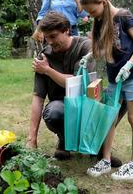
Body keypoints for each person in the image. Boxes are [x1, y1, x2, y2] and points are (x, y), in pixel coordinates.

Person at [80, 0, 133, 180]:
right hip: (114, 78)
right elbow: (106, 48)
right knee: (109, 118)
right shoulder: (102, 21)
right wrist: (90, 56)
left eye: (93, 10)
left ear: (103, 2)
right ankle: (106, 160)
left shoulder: (124, 17)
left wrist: (128, 65)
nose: (92, 15)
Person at [26, 11, 93, 160]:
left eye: (53, 36)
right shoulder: (44, 57)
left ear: (66, 30)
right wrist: (32, 139)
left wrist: (48, 70)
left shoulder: (85, 47)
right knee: (53, 112)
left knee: (120, 100)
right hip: (62, 107)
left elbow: (79, 82)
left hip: (88, 104)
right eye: (46, 37)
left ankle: (99, 146)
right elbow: (38, 97)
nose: (49, 41)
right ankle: (64, 141)